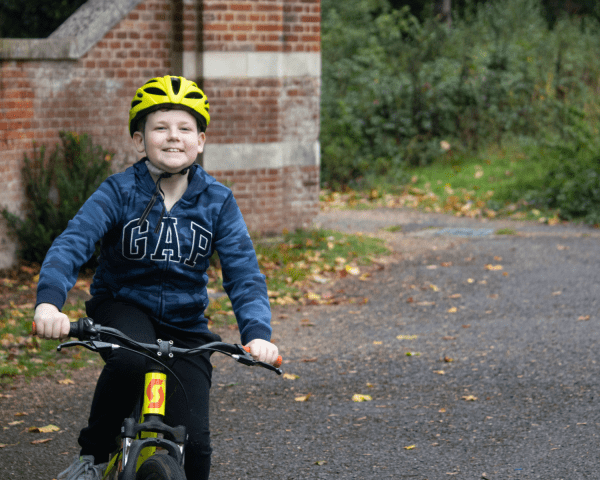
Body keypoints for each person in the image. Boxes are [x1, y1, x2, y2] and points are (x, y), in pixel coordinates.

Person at [33, 75, 278, 480]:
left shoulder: (218, 201)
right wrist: (49, 303)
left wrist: (257, 333)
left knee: (196, 446)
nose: (173, 137)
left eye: (185, 128)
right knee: (131, 360)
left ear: (200, 141)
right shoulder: (118, 191)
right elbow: (72, 243)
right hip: (124, 307)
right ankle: (92, 458)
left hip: (186, 325)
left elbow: (244, 272)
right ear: (138, 139)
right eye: (160, 127)